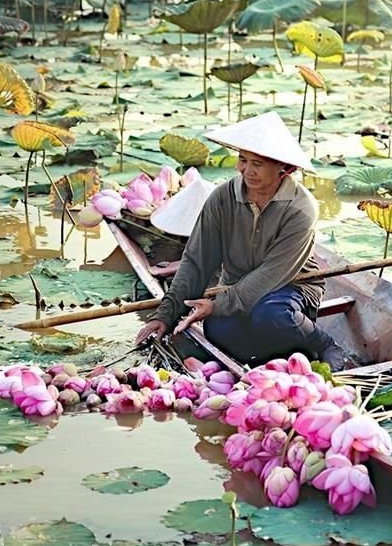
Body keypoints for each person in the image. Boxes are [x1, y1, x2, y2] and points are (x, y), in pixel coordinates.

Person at [134, 112, 347, 371]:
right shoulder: (222, 198)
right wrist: (165, 315)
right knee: (217, 329)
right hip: (235, 286)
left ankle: (324, 344)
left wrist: (216, 305)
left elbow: (271, 275)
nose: (246, 170)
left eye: (257, 164)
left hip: (290, 287)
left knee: (272, 315)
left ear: (285, 169)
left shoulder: (301, 209)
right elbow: (196, 261)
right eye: (243, 160)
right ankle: (283, 354)